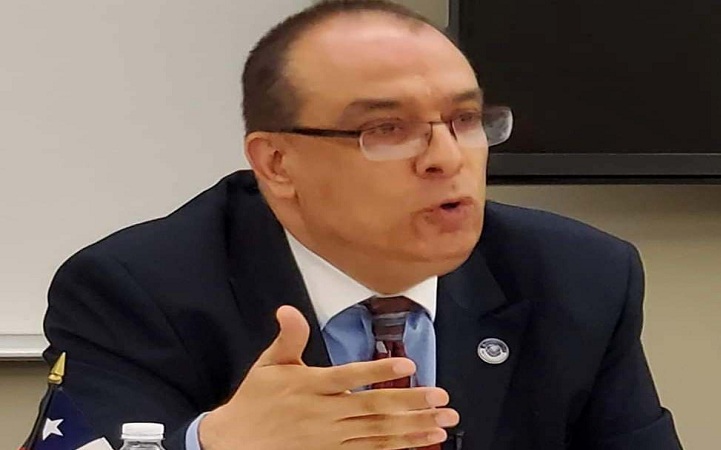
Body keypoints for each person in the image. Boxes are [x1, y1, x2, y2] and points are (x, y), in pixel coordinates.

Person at [41, 1, 682, 449]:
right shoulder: (136, 289)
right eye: (387, 129)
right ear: (277, 162)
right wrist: (213, 443)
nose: (446, 158)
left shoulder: (578, 276)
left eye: (465, 120)